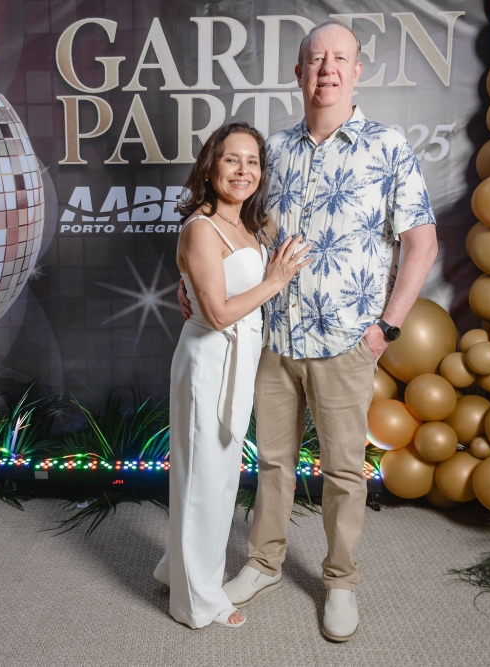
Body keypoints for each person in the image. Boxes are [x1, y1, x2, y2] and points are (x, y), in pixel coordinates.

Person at [178, 20, 438, 641]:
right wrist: (188, 276)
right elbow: (228, 223)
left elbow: (422, 243)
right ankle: (264, 562)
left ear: (357, 71)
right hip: (272, 337)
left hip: (346, 340)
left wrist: (387, 328)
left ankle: (340, 581)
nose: (328, 69)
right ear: (298, 73)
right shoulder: (272, 150)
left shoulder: (387, 146)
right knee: (273, 461)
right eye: (316, 59)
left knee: (344, 471)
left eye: (340, 58)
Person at [153, 122, 311, 629]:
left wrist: (189, 283)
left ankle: (178, 571)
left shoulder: (252, 225)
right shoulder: (201, 228)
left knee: (219, 479)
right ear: (210, 167)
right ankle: (197, 602)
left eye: (253, 162)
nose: (243, 171)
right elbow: (219, 314)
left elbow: (215, 286)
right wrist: (275, 281)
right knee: (204, 481)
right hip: (209, 362)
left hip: (241, 361)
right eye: (231, 159)